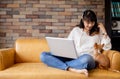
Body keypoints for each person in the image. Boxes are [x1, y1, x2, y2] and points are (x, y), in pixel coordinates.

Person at [40, 10, 111, 76]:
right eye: (87, 22)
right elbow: (67, 44)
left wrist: (104, 30)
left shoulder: (98, 32)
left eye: (92, 22)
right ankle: (70, 69)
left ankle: (57, 64)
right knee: (43, 55)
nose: (90, 25)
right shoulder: (76, 30)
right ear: (83, 20)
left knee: (87, 59)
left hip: (86, 59)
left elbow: (107, 47)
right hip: (72, 58)